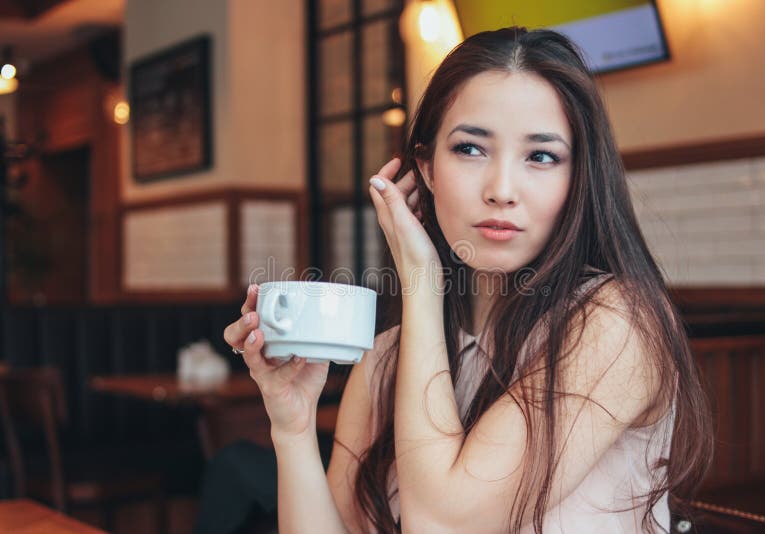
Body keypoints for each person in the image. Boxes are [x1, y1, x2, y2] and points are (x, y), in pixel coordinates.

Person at [224, 27, 712, 533]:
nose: (502, 190)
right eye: (471, 149)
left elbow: (443, 522)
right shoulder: (389, 358)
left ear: (578, 179)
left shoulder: (618, 323)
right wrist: (293, 426)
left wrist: (420, 279)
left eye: (541, 156)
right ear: (427, 169)